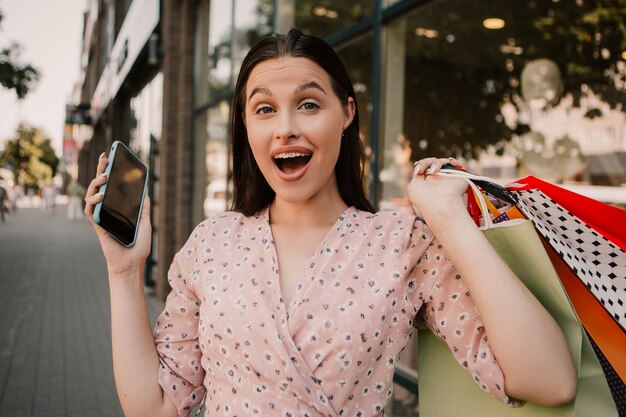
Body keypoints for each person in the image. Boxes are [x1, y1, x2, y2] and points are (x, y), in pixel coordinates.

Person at [84, 29, 576, 417]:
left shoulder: (401, 243)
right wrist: (125, 273)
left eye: (309, 104)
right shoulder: (211, 244)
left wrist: (448, 218)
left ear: (346, 113)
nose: (285, 128)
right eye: (264, 110)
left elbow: (549, 380)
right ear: (246, 126)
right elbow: (156, 407)